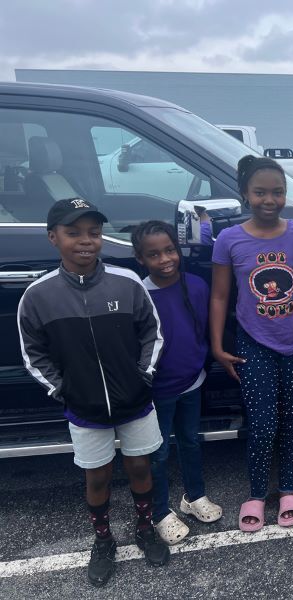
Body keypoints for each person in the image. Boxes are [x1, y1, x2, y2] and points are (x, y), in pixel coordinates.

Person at [17, 198, 169, 587]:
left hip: (135, 402)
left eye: (94, 233)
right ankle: (103, 541)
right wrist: (63, 390)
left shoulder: (127, 282)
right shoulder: (38, 295)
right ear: (53, 238)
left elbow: (152, 332)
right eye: (73, 233)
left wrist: (143, 376)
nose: (86, 241)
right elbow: (33, 353)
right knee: (97, 476)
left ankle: (144, 527)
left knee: (139, 467)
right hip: (83, 408)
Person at [210, 156, 293, 532]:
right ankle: (255, 493)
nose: (270, 200)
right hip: (253, 344)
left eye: (278, 192)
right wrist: (217, 346)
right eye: (261, 192)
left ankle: (289, 488)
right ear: (245, 194)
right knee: (263, 423)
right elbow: (219, 297)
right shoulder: (230, 239)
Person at [132, 221, 222, 545]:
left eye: (169, 250)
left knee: (191, 442)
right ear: (140, 258)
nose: (165, 259)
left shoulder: (196, 285)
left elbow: (200, 329)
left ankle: (194, 496)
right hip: (158, 390)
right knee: (157, 452)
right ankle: (159, 512)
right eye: (154, 254)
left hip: (192, 382)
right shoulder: (138, 294)